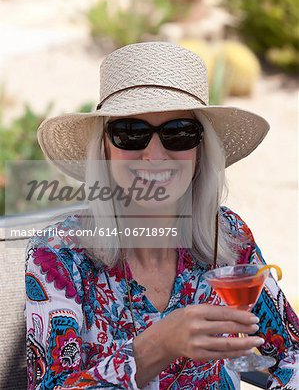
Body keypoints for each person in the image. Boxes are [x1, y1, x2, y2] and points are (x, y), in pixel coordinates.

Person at [25, 42, 298, 390]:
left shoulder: (227, 234)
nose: (154, 156)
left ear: (201, 150)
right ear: (105, 148)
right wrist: (158, 345)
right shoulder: (57, 256)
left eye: (179, 133)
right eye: (131, 133)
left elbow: (289, 353)